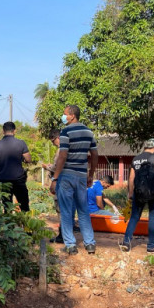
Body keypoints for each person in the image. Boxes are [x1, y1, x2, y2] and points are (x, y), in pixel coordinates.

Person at [49, 105, 98, 255]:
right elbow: (95, 154)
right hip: (82, 176)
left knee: (66, 211)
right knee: (83, 210)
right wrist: (91, 174)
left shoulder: (66, 131)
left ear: (72, 116)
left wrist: (55, 178)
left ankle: (70, 245)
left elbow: (63, 156)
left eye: (64, 114)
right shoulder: (88, 132)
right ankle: (90, 244)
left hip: (67, 176)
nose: (63, 117)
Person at [119, 138, 154, 253]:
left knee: (134, 217)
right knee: (153, 218)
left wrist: (130, 194)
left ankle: (126, 242)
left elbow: (131, 178)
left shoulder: (135, 159)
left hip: (138, 193)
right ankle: (151, 246)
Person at [0, 121, 32, 212]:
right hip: (18, 179)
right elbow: (28, 160)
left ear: (3, 131)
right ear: (14, 131)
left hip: (4, 180)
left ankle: (9, 226)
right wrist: (22, 159)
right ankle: (25, 225)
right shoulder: (21, 143)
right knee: (24, 206)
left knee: (7, 207)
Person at [42, 128, 64, 243]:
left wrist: (47, 167)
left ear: (58, 138)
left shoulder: (61, 150)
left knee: (60, 209)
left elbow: (57, 167)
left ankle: (62, 235)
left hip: (61, 181)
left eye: (52, 141)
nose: (52, 143)